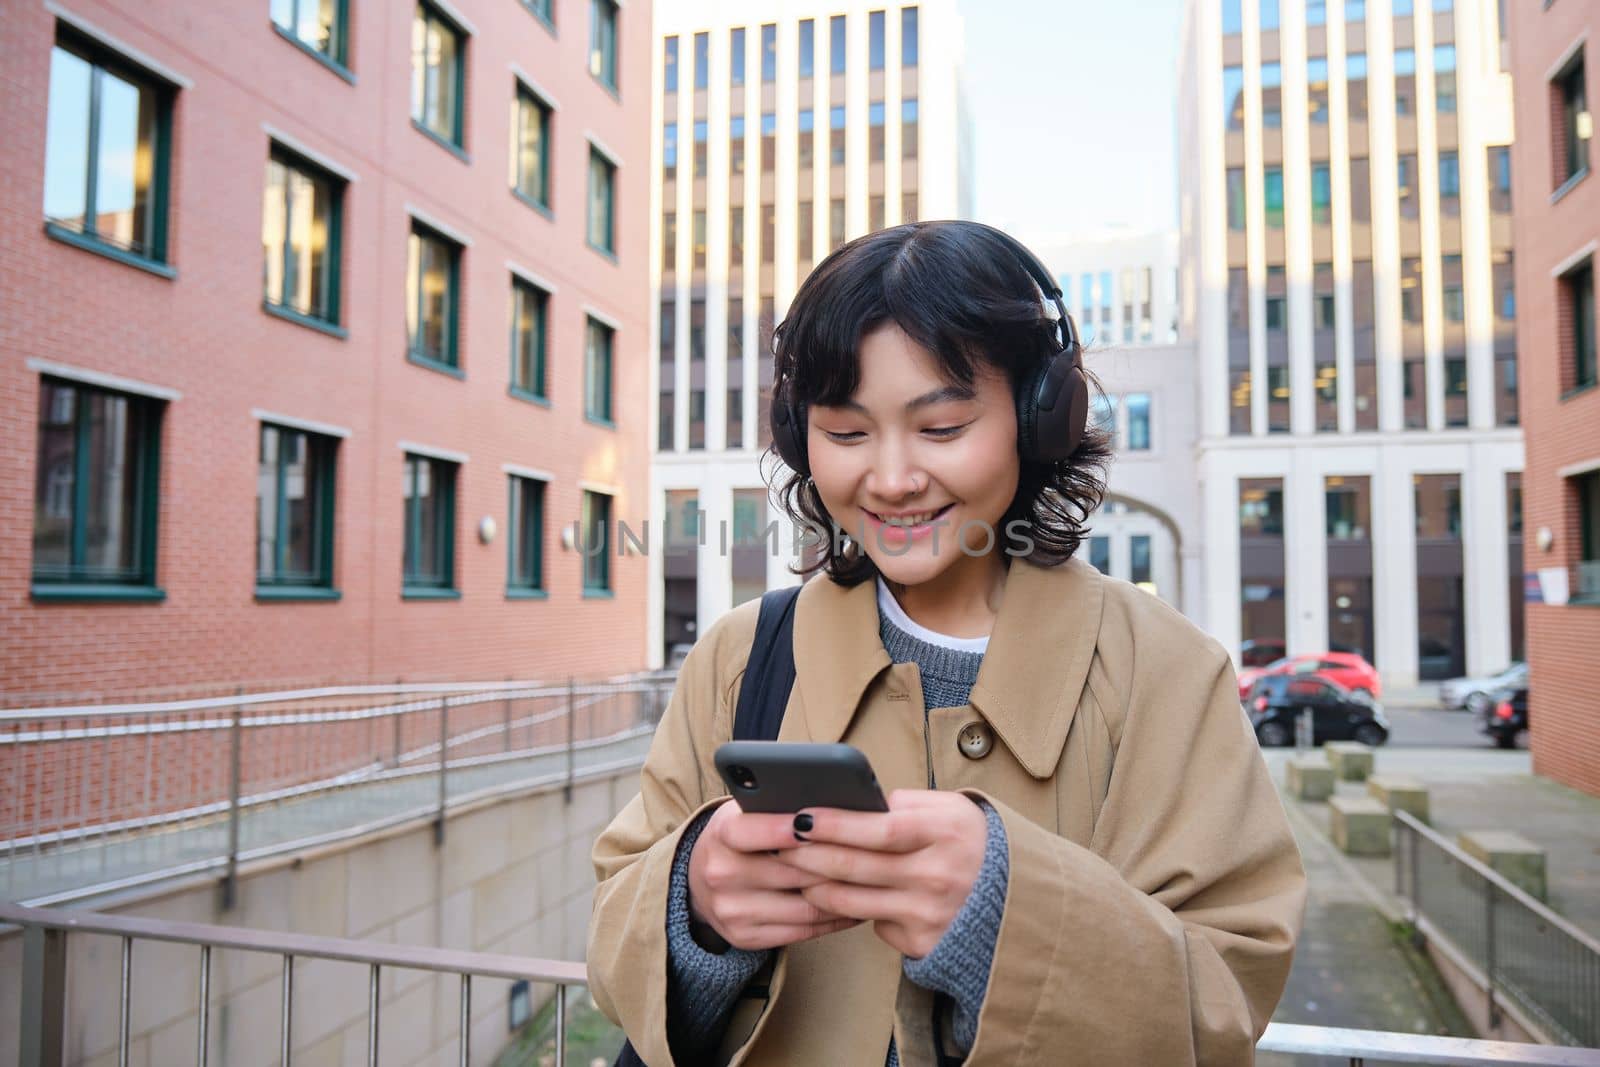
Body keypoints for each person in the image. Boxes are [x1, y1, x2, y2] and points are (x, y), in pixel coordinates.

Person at [587, 221, 1306, 1066]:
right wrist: (694, 904)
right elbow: (615, 927)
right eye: (847, 434)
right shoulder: (740, 654)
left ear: (1040, 417)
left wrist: (1007, 915)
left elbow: (1225, 1003)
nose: (891, 479)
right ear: (798, 435)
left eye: (941, 428)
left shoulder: (1166, 669)